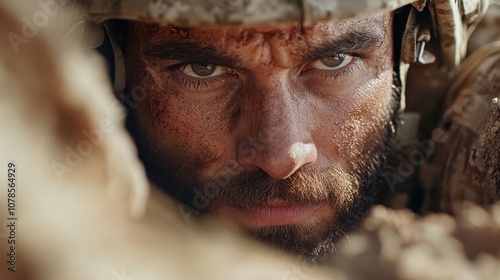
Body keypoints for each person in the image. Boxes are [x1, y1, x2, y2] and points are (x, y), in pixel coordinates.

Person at [73, 0, 499, 262]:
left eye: (335, 61)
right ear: (112, 66)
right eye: (203, 69)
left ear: (408, 48)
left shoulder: (458, 100)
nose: (280, 156)